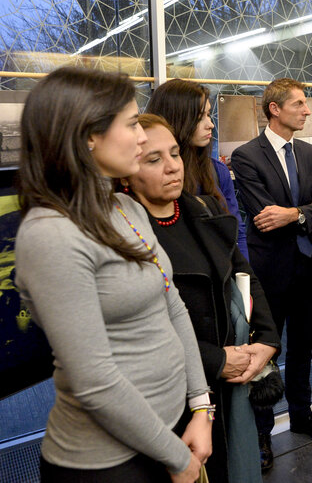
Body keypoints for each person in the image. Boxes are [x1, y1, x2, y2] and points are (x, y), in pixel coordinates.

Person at [14, 66, 212, 483]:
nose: (143, 136)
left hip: (171, 433)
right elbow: (94, 381)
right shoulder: (51, 234)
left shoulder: (126, 208)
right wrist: (175, 456)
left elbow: (171, 304)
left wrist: (199, 405)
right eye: (130, 124)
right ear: (88, 136)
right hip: (108, 463)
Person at [122, 114, 281, 482]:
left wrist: (268, 341)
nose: (172, 167)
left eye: (175, 154)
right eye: (153, 159)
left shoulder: (203, 211)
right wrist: (213, 361)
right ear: (127, 170)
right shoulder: (126, 232)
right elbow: (141, 328)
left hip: (228, 387)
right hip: (172, 398)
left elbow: (244, 274)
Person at [230, 78, 312, 460]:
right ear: (274, 109)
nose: (307, 111)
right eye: (298, 104)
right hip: (269, 274)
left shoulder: (309, 153)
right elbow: (263, 217)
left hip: (307, 266)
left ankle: (301, 415)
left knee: (303, 349)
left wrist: (293, 213)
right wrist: (304, 213)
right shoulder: (246, 156)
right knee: (265, 354)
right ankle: (262, 433)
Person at [145, 78, 249, 260]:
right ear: (177, 118)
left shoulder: (217, 171)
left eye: (208, 115)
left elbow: (236, 232)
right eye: (200, 117)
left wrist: (244, 279)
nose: (210, 124)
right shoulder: (150, 176)